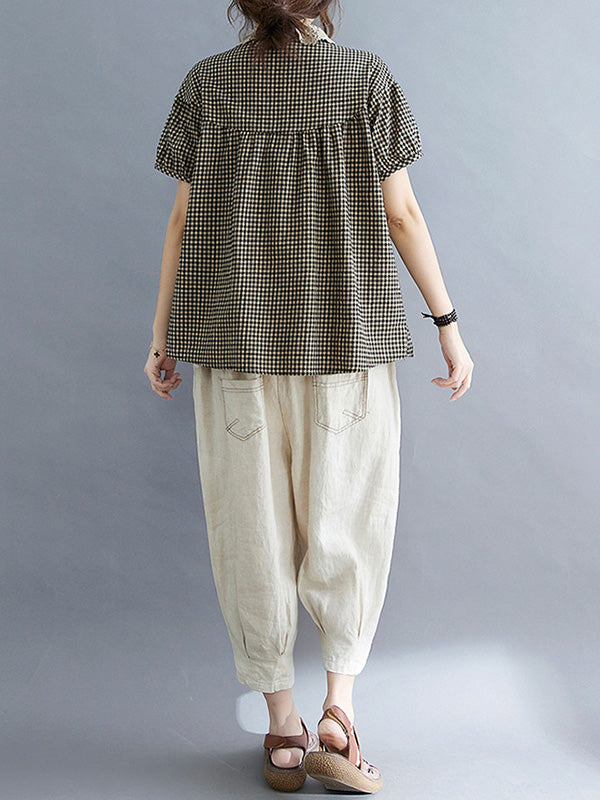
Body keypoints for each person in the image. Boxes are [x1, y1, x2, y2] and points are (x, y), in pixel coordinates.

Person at [144, 1, 474, 793]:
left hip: (237, 346)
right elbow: (402, 212)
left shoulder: (207, 84)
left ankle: (283, 729)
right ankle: (339, 715)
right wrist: (447, 325)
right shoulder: (365, 80)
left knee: (250, 532)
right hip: (346, 345)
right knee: (348, 524)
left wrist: (160, 336)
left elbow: (182, 220)